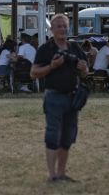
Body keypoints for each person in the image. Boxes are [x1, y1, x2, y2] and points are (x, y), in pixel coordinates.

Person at [30, 14, 88, 183]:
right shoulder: (46, 49)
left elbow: (85, 71)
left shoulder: (74, 47)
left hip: (72, 97)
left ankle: (61, 174)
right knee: (53, 135)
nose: (62, 29)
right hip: (54, 96)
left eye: (65, 26)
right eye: (59, 26)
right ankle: (52, 175)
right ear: (52, 30)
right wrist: (52, 66)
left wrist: (83, 68)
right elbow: (33, 73)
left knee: (68, 136)